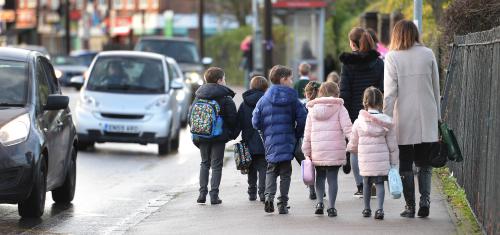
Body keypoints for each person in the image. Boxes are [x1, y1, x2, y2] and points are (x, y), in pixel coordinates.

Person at [383, 20, 441, 218]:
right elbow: (436, 89)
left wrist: (386, 120)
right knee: (425, 162)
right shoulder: (428, 53)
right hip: (428, 114)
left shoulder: (392, 57)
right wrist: (438, 118)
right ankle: (425, 201)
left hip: (403, 118)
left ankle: (410, 206)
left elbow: (390, 93)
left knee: (406, 163)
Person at [252, 65, 307, 214]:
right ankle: (282, 204)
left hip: (270, 141)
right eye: (290, 78)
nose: (291, 81)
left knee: (271, 169)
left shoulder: (264, 99)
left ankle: (269, 197)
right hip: (288, 139)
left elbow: (255, 122)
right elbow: (302, 118)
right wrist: (297, 133)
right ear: (283, 79)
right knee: (285, 173)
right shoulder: (292, 98)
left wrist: (265, 130)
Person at [339, 27, 384, 198]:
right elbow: (382, 89)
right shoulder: (379, 63)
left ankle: (360, 185)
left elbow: (345, 92)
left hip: (353, 113)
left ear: (352, 43)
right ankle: (373, 181)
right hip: (374, 112)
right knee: (374, 148)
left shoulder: (348, 64)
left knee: (355, 150)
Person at [347, 87, 399, 220]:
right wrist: (393, 163)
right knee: (380, 184)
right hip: (381, 160)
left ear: (365, 102)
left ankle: (366, 208)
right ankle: (380, 209)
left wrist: (351, 150)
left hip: (365, 159)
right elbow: (392, 145)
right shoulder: (387, 122)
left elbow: (353, 142)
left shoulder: (359, 122)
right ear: (381, 103)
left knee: (366, 184)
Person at [302, 82, 352, 217]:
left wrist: (306, 151)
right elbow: (348, 129)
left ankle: (319, 203)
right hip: (334, 150)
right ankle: (331, 207)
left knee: (320, 177)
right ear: (337, 94)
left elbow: (307, 133)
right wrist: (355, 143)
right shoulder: (340, 108)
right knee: (332, 178)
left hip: (318, 150)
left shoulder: (312, 109)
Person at [192, 67, 238, 205]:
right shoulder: (225, 98)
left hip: (202, 135)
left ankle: (202, 194)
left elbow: (191, 116)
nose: (225, 81)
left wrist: (197, 132)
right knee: (216, 165)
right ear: (219, 80)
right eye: (224, 79)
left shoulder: (198, 95)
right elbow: (232, 119)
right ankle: (214, 195)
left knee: (204, 163)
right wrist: (230, 135)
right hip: (218, 137)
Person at [235, 76, 269, 202]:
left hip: (248, 140)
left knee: (251, 167)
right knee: (263, 167)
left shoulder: (244, 104)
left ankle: (252, 192)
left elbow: (239, 123)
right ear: (265, 88)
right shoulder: (267, 101)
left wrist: (232, 135)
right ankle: (262, 193)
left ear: (251, 86)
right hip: (264, 140)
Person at [302, 81, 321, 200]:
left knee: (310, 165)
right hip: (320, 139)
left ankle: (312, 190)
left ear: (306, 94)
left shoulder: (304, 106)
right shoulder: (323, 105)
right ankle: (321, 190)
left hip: (308, 139)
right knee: (320, 168)